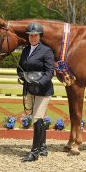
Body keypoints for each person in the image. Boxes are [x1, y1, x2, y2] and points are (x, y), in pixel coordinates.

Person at [17, 23, 55, 162]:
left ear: (39, 36)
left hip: (43, 90)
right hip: (29, 88)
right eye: (30, 36)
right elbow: (20, 68)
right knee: (36, 116)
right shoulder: (25, 50)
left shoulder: (46, 51)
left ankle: (34, 153)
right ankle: (43, 146)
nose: (33, 38)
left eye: (35, 35)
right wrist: (23, 76)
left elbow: (50, 72)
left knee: (37, 118)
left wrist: (39, 82)